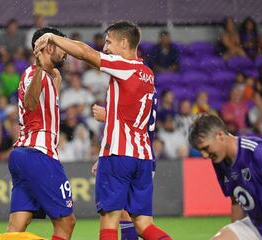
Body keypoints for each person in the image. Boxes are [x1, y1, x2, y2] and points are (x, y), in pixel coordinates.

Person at [34, 20, 172, 240]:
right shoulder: (148, 74)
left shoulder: (125, 67)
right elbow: (135, 118)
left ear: (124, 43)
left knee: (109, 220)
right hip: (144, 157)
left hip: (119, 155)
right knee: (144, 225)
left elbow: (84, 53)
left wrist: (52, 37)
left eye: (109, 42)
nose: (105, 47)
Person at [188, 114, 262, 240]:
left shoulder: (257, 151)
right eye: (200, 150)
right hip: (258, 228)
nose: (204, 155)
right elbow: (236, 201)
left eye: (206, 148)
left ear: (220, 135)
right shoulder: (219, 161)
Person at [7, 27, 76, 240]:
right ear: (48, 47)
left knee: (16, 226)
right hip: (38, 154)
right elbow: (30, 102)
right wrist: (39, 67)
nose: (66, 52)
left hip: (23, 155)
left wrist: (53, 78)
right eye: (62, 46)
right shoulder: (33, 73)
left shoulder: (50, 76)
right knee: (66, 222)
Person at [92, 89, 158, 240]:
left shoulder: (130, 83)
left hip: (128, 154)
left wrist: (107, 117)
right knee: (136, 220)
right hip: (144, 153)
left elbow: (133, 123)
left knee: (118, 217)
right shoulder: (147, 85)